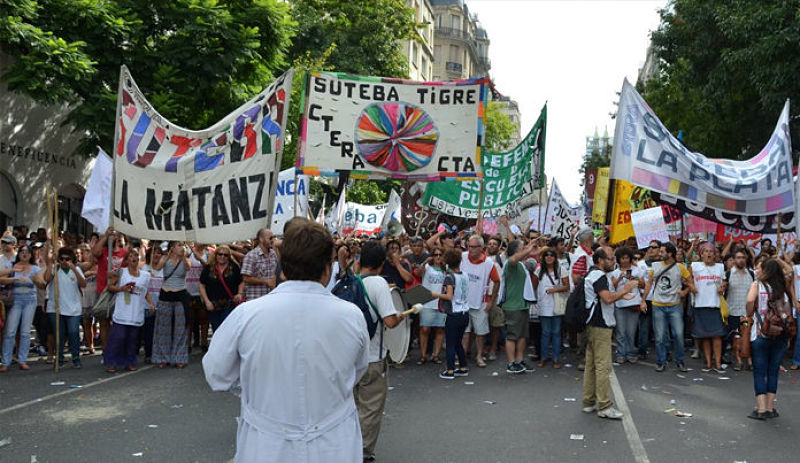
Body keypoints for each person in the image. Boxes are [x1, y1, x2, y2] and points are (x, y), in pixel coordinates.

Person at [204, 219, 369, 462]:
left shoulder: (246, 315)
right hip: (333, 446)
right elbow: (357, 371)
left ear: (282, 269)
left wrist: (254, 377)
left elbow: (217, 374)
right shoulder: (351, 316)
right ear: (327, 268)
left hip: (266, 447)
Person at [354, 241, 405, 461]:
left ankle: (347, 446)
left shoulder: (349, 281)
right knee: (371, 409)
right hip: (373, 357)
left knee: (352, 407)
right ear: (381, 263)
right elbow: (390, 321)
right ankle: (362, 453)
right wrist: (401, 315)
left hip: (350, 357)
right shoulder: (379, 283)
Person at [582, 247, 639, 420]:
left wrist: (621, 295)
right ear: (600, 260)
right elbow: (607, 299)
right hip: (600, 325)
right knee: (602, 366)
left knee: (591, 365)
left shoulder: (594, 275)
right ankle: (605, 406)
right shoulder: (598, 276)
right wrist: (625, 289)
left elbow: (605, 297)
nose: (614, 260)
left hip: (592, 324)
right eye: (610, 258)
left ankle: (589, 402)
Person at [745, 259, 790, 420]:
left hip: (761, 333)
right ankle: (771, 408)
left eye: (760, 268)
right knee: (773, 372)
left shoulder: (757, 285)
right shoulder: (783, 288)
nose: (757, 271)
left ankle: (761, 409)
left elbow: (750, 301)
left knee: (759, 371)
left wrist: (750, 312)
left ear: (766, 271)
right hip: (780, 335)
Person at [641, 242, 695, 373]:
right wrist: (643, 300)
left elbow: (690, 282)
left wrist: (684, 292)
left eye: (662, 252)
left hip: (675, 306)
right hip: (658, 306)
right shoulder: (655, 266)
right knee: (659, 337)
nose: (660, 254)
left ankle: (680, 361)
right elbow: (648, 284)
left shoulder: (680, 267)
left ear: (670, 253)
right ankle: (661, 362)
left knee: (678, 335)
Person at [104, 249, 155, 372]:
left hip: (136, 312)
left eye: (136, 255)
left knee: (132, 339)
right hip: (122, 311)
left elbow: (145, 291)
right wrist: (122, 288)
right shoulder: (122, 273)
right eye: (131, 256)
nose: (134, 258)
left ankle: (130, 361)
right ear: (126, 260)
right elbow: (110, 287)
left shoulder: (145, 275)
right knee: (119, 337)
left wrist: (150, 303)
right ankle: (111, 362)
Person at [0, 244, 44, 371]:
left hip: (30, 300)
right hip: (15, 299)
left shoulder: (35, 268)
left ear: (31, 255)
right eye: (22, 251)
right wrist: (15, 275)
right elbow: (1, 279)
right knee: (10, 331)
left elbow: (42, 284)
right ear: (18, 253)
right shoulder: (12, 266)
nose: (24, 254)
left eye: (27, 251)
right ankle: (5, 361)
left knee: (25, 332)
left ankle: (22, 360)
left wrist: (34, 278)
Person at [42, 247, 87, 368]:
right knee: (59, 334)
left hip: (73, 308)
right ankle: (59, 358)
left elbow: (83, 284)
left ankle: (76, 357)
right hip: (56, 307)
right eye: (61, 259)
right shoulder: (55, 269)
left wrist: (74, 269)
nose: (64, 261)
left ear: (72, 259)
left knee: (73, 332)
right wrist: (50, 263)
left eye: (67, 259)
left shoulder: (76, 269)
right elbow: (46, 279)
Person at [461, 234, 500, 368]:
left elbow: (497, 281)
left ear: (481, 247)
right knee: (465, 332)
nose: (470, 249)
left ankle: (479, 356)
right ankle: (462, 356)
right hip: (463, 302)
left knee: (480, 333)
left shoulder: (489, 263)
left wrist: (491, 302)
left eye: (474, 247)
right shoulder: (462, 257)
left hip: (481, 302)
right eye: (469, 246)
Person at [430, 249, 470, 379]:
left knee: (451, 343)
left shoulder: (449, 277)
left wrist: (434, 294)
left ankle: (450, 370)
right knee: (458, 342)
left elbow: (449, 296)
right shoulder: (464, 275)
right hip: (464, 312)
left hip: (454, 314)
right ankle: (463, 367)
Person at [151, 241, 191, 369]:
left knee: (180, 328)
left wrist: (184, 255)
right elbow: (156, 268)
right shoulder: (165, 258)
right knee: (163, 328)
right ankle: (162, 357)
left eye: (183, 245)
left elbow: (188, 267)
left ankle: (179, 357)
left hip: (180, 295)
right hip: (166, 294)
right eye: (179, 245)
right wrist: (164, 255)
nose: (182, 247)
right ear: (172, 248)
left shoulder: (185, 260)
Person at [690, 243, 727, 373]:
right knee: (705, 336)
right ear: (701, 254)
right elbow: (687, 278)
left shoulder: (720, 267)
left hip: (715, 305)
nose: (709, 253)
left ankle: (717, 364)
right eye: (706, 251)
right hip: (700, 305)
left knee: (717, 336)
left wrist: (723, 287)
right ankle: (708, 363)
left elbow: (724, 281)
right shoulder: (695, 266)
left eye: (711, 251)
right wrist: (691, 286)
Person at [502, 240, 538, 373]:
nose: (525, 250)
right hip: (512, 305)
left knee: (523, 335)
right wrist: (528, 250)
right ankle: (511, 363)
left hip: (523, 304)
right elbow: (513, 259)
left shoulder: (522, 265)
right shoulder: (510, 264)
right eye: (522, 248)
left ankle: (519, 360)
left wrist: (530, 248)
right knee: (512, 335)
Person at [91, 227, 129, 350]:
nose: (116, 237)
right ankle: (106, 350)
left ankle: (118, 350)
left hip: (120, 291)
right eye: (114, 235)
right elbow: (94, 252)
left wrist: (116, 276)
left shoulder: (125, 253)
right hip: (103, 291)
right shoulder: (104, 251)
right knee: (104, 323)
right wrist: (105, 236)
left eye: (118, 235)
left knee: (119, 323)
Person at [532, 246, 569, 369]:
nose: (549, 257)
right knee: (545, 333)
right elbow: (534, 287)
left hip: (557, 306)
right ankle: (543, 357)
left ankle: (556, 358)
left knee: (556, 333)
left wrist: (554, 289)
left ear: (555, 257)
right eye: (546, 255)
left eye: (551, 255)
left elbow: (566, 286)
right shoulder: (538, 271)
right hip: (543, 306)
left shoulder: (561, 270)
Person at [610, 247, 644, 364]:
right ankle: (620, 353)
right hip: (619, 304)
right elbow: (612, 287)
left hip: (634, 303)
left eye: (626, 258)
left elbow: (643, 285)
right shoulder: (614, 272)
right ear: (618, 259)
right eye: (622, 258)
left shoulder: (637, 270)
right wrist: (620, 278)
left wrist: (636, 280)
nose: (624, 260)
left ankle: (630, 353)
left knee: (631, 331)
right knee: (620, 331)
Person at [199, 245, 244, 333]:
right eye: (220, 254)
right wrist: (207, 301)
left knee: (227, 329)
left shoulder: (234, 267)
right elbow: (202, 285)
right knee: (216, 329)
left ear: (229, 256)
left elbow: (241, 282)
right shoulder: (209, 268)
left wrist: (239, 294)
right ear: (215, 255)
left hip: (229, 304)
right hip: (212, 304)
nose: (222, 257)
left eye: (225, 255)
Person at [415, 246, 445, 365]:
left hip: (441, 303)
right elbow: (418, 273)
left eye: (440, 254)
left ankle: (436, 355)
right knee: (425, 328)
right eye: (435, 254)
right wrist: (424, 262)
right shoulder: (427, 267)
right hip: (427, 302)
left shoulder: (445, 269)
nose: (438, 257)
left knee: (440, 329)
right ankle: (423, 355)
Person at [727, 250, 755, 371]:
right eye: (738, 257)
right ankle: (738, 360)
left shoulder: (752, 274)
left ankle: (749, 359)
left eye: (743, 257)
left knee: (747, 336)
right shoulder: (728, 274)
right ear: (734, 259)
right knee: (736, 337)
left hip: (747, 313)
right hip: (733, 311)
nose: (741, 260)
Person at [140, 243, 164, 363]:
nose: (157, 255)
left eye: (159, 253)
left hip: (161, 304)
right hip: (147, 305)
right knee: (148, 332)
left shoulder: (164, 269)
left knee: (159, 331)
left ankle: (159, 353)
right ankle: (148, 354)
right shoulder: (144, 268)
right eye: (154, 252)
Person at [241, 228, 278, 301]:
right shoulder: (251, 255)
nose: (273, 240)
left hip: (271, 298)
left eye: (273, 237)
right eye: (270, 238)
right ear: (261, 239)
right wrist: (266, 281)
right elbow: (245, 278)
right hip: (256, 299)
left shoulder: (273, 254)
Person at [77, 244, 98, 355]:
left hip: (97, 297)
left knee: (100, 322)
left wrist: (94, 272)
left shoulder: (100, 266)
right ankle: (90, 344)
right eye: (85, 252)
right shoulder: (81, 267)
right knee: (87, 321)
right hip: (85, 297)